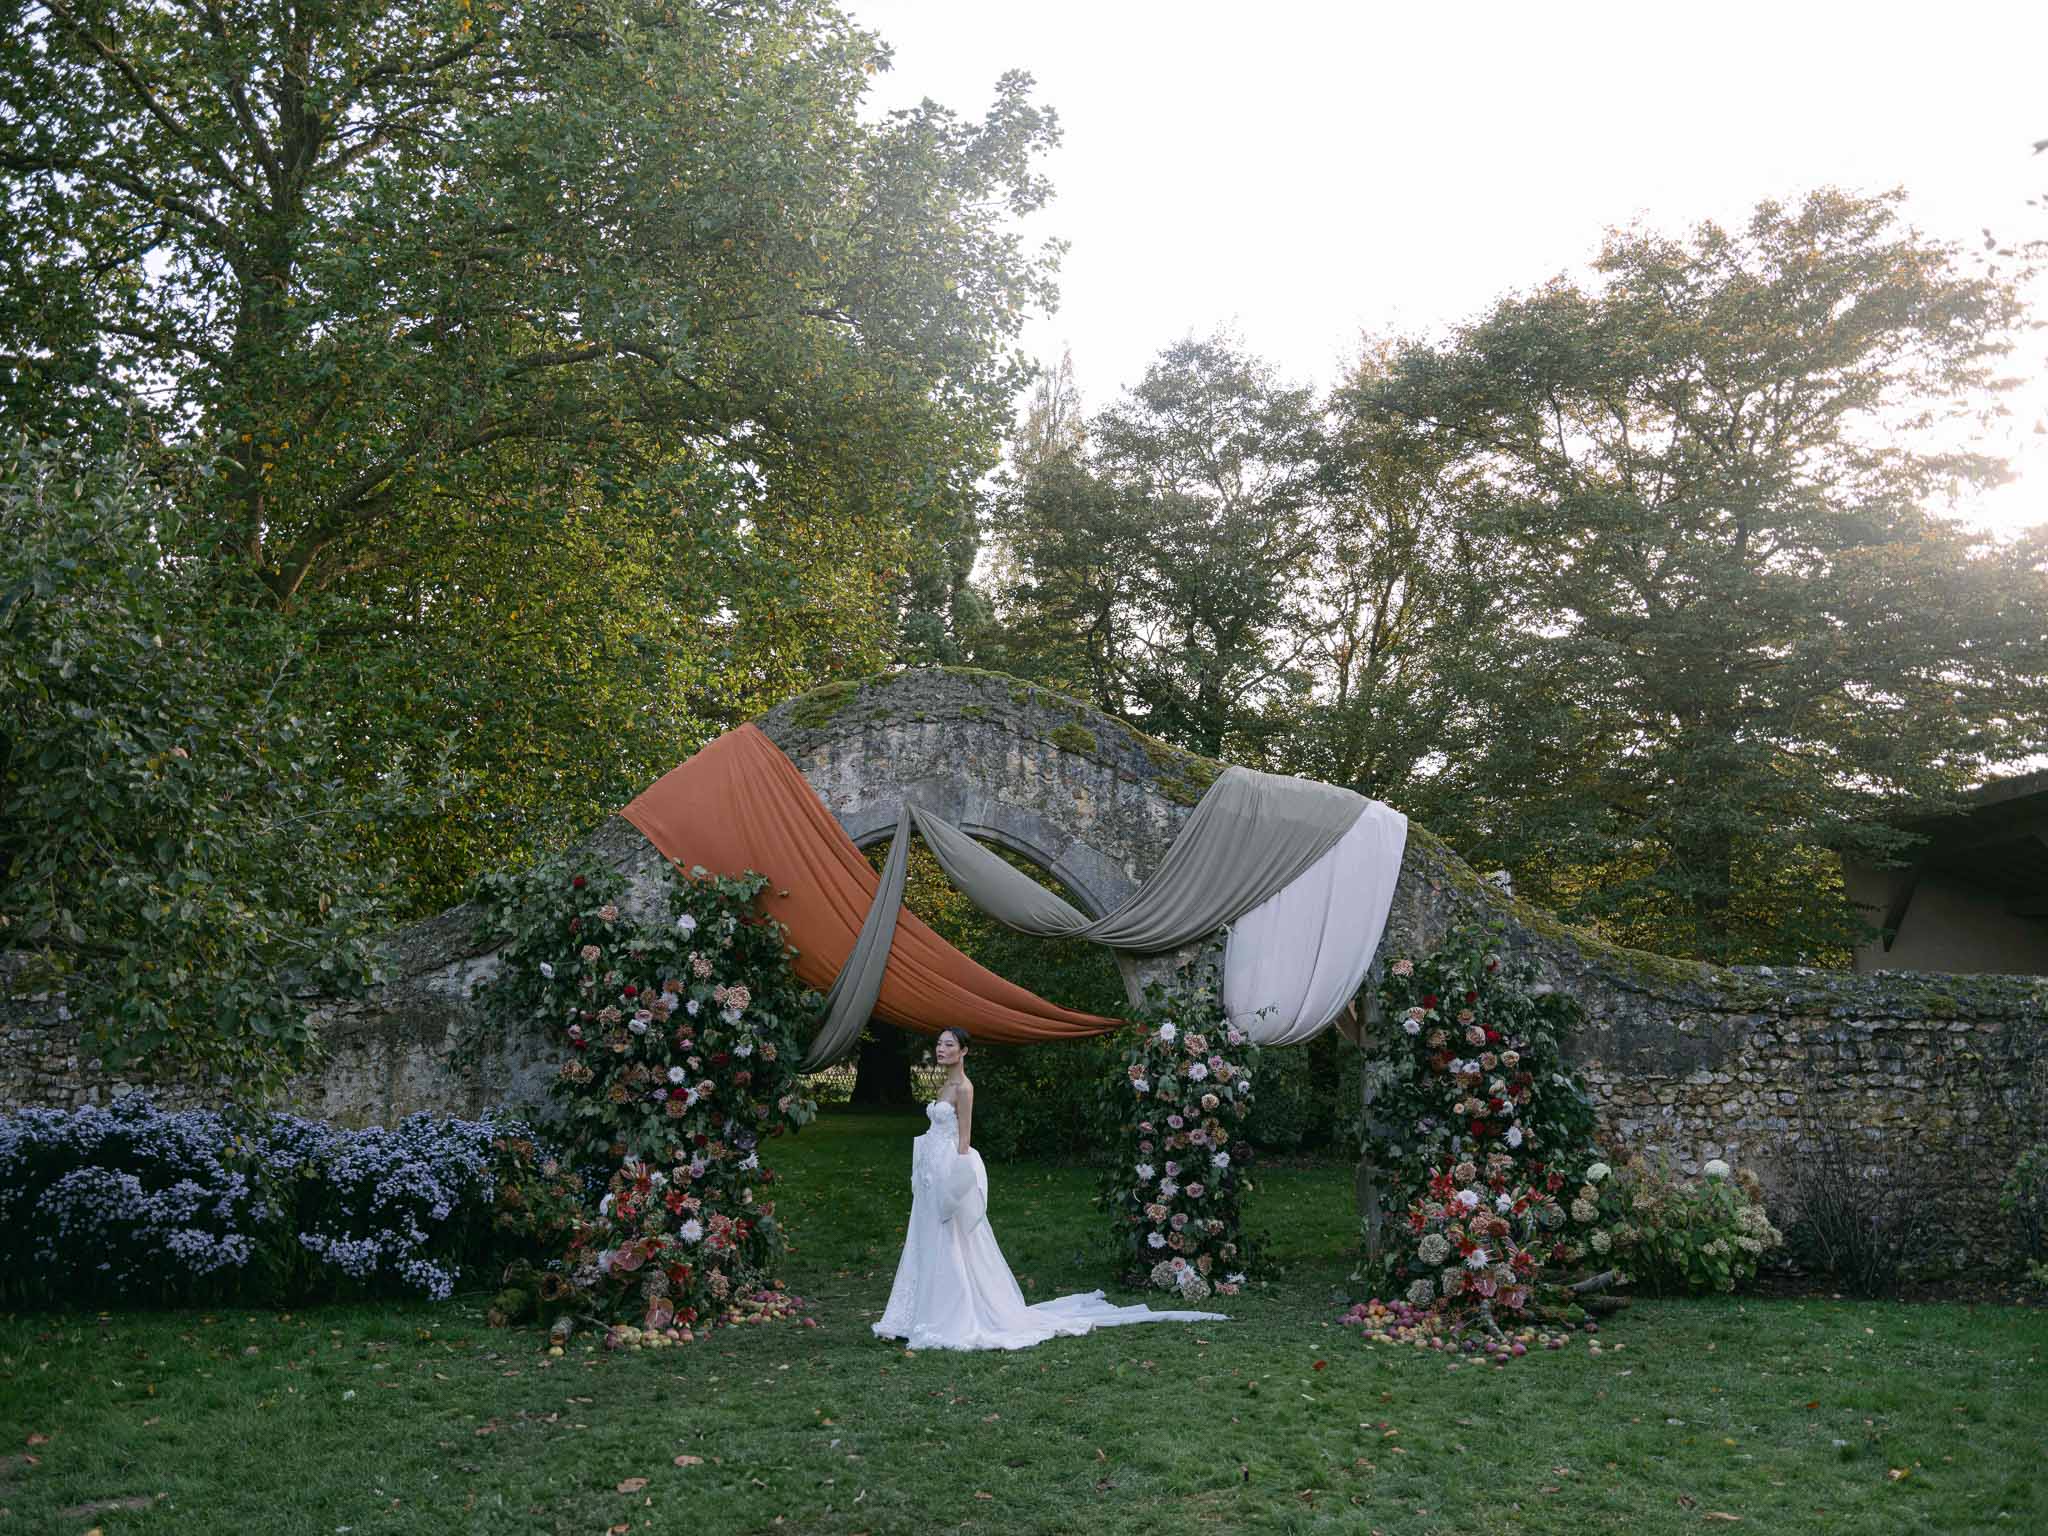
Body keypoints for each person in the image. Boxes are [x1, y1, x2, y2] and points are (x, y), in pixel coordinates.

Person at [872, 1026, 1228, 1351]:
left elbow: (964, 1141)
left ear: (964, 1050)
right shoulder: (943, 1085)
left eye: (949, 1045)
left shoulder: (964, 1088)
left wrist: (957, 1182)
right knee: (926, 1235)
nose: (941, 1049)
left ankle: (950, 1315)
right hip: (930, 1171)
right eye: (939, 1044)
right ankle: (917, 1312)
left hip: (949, 1169)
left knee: (951, 1237)